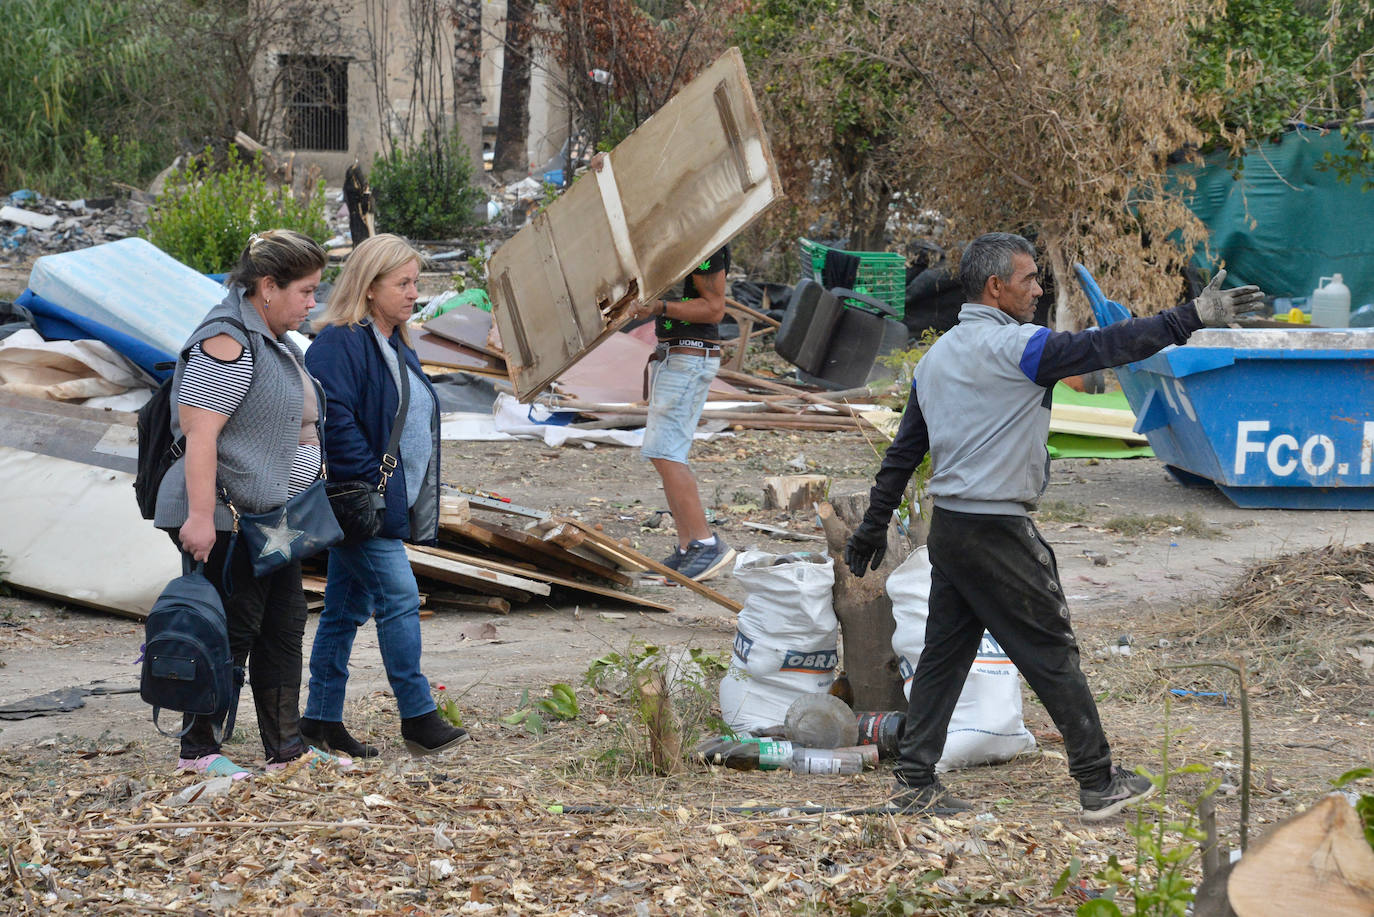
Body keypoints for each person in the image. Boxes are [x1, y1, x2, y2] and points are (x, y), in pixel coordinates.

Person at [844, 232, 1263, 821]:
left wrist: (872, 526)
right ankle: (1098, 783)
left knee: (944, 654)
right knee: (1051, 652)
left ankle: (914, 781)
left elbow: (904, 452)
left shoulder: (938, 357)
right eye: (1029, 280)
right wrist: (1188, 317)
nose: (1038, 290)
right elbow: (1106, 346)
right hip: (996, 530)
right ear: (995, 288)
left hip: (953, 530)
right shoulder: (1018, 348)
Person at [153, 229, 352, 777]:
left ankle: (285, 747)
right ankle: (198, 752)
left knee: (283, 626)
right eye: (306, 291)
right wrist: (199, 517)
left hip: (273, 521)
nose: (313, 302)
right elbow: (201, 435)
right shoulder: (227, 342)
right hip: (227, 517)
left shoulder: (273, 339)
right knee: (227, 630)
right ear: (268, 286)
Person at [302, 233, 468, 758]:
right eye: (403, 283)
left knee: (343, 611)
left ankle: (320, 719)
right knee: (398, 598)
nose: (414, 293)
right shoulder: (340, 342)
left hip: (378, 499)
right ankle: (418, 716)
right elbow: (334, 418)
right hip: (358, 501)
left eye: (415, 282)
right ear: (369, 287)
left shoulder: (394, 342)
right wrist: (370, 479)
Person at [589, 153, 736, 581]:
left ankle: (706, 543)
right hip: (678, 352)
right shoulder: (679, 238)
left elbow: (714, 309)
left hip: (693, 353)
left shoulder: (707, 245)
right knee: (663, 451)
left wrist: (659, 307)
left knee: (665, 451)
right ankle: (688, 544)